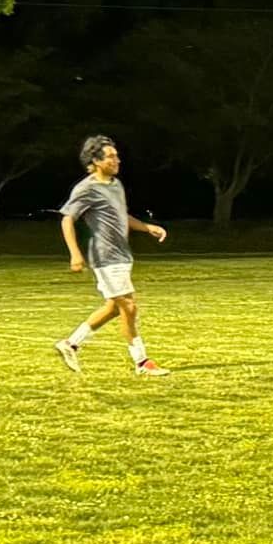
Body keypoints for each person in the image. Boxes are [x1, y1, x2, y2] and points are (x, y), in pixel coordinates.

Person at [54, 135, 171, 376]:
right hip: (104, 256)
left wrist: (146, 227)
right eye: (111, 156)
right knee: (129, 307)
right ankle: (142, 362)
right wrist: (75, 254)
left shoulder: (115, 185)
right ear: (96, 161)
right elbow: (67, 219)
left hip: (122, 255)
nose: (117, 160)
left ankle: (70, 343)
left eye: (117, 155)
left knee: (114, 308)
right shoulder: (86, 188)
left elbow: (121, 216)